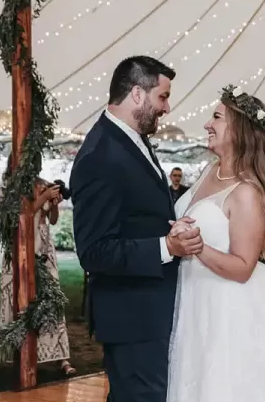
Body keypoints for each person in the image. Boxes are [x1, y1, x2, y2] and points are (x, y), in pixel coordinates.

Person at [167, 85, 265, 402]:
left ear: (239, 130)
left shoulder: (246, 193)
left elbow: (243, 267)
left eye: (216, 117)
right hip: (197, 304)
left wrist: (197, 248)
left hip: (231, 312)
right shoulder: (209, 172)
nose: (207, 124)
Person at [71, 56, 202, 402]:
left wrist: (172, 227)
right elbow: (94, 251)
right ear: (137, 95)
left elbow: (139, 216)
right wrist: (166, 248)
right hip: (132, 318)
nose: (167, 107)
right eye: (162, 97)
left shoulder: (130, 140)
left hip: (148, 312)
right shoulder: (101, 154)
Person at [0, 157, 75, 376]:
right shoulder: (11, 188)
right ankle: (18, 352)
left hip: (43, 246)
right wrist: (42, 197)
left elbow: (51, 220)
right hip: (20, 246)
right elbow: (20, 217)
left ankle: (61, 357)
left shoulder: (44, 183)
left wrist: (53, 205)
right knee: (20, 300)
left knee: (51, 300)